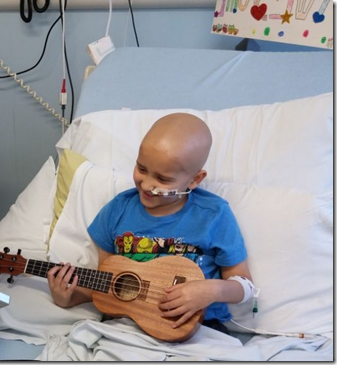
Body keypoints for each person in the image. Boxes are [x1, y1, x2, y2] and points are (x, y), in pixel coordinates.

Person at [46, 112, 254, 335]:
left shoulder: (214, 214)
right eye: (141, 169)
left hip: (198, 329)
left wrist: (213, 291)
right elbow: (110, 286)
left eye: (162, 179)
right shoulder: (117, 210)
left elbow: (246, 287)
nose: (146, 185)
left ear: (194, 180)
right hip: (127, 327)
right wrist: (69, 297)